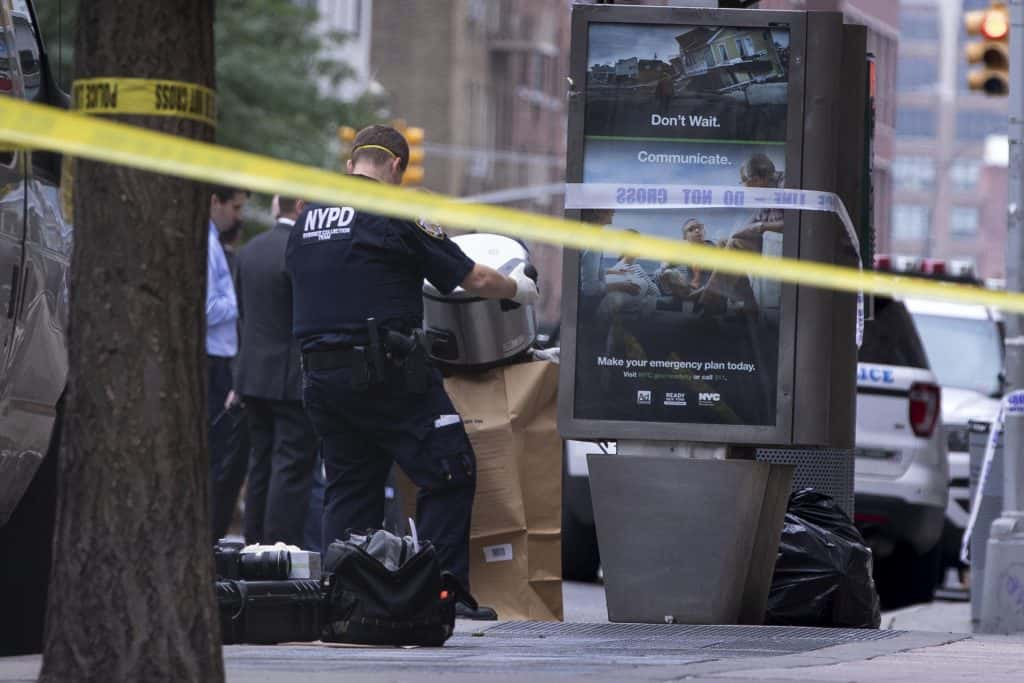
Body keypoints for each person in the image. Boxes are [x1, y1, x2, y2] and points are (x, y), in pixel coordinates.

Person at [285, 125, 539, 620]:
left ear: (350, 163)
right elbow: (472, 276)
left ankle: (346, 599)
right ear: (398, 167)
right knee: (451, 468)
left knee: (350, 487)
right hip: (387, 374)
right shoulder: (395, 211)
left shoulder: (308, 218)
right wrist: (516, 290)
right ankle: (441, 594)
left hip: (321, 380)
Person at [234, 195, 319, 546]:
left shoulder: (249, 251)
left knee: (260, 462)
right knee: (291, 466)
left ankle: (252, 543)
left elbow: (243, 312)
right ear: (301, 207)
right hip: (290, 378)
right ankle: (279, 548)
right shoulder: (302, 251)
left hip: (252, 375)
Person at [207, 185, 249, 542]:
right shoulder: (206, 246)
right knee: (217, 456)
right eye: (234, 207)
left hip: (219, 360)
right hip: (213, 362)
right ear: (214, 202)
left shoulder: (214, 244)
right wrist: (239, 302)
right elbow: (206, 308)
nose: (238, 216)